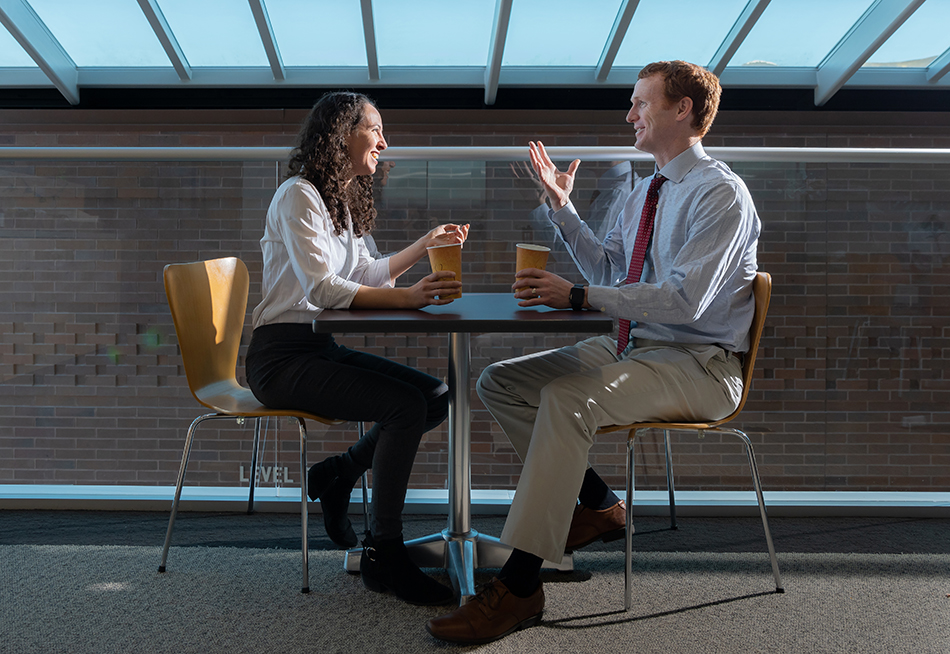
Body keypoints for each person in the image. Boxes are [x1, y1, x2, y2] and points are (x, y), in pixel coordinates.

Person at [427, 60, 760, 643]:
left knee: (566, 400)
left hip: (700, 364)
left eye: (641, 103)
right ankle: (600, 503)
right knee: (500, 383)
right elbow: (609, 269)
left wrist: (579, 295)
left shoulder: (721, 195)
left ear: (682, 110)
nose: (629, 114)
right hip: (633, 347)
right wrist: (562, 208)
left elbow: (686, 300)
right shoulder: (643, 191)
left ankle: (522, 585)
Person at [245, 91, 469, 606]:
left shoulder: (339, 200)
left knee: (434, 395)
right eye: (375, 129)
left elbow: (362, 273)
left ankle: (339, 472)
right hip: (280, 358)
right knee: (404, 406)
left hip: (315, 348)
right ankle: (384, 553)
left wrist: (426, 245)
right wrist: (409, 300)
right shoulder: (298, 195)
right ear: (343, 133)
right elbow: (324, 289)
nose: (384, 142)